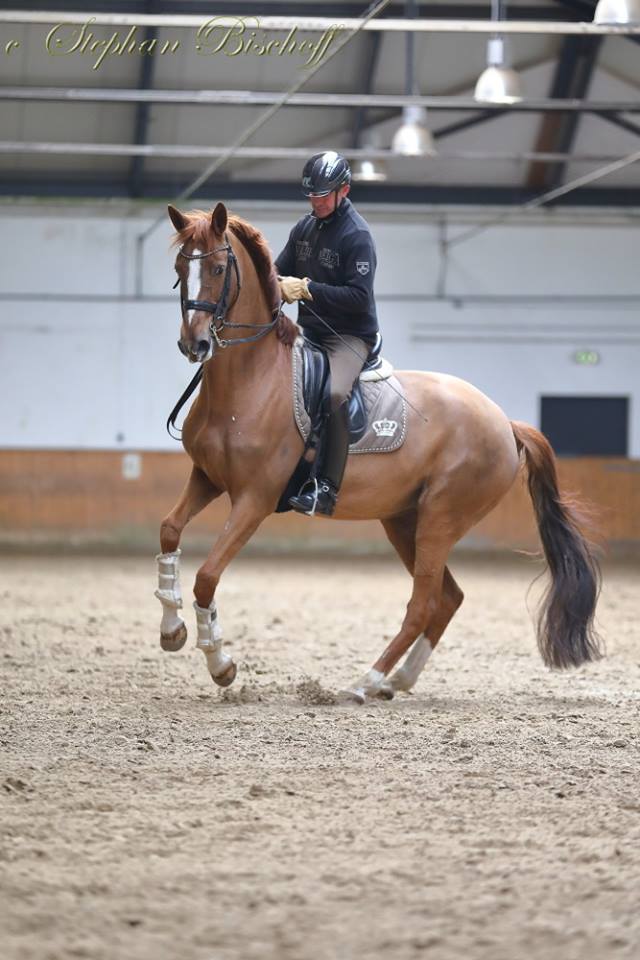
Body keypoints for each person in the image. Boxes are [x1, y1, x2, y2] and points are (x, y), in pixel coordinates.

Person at [275, 151, 380, 516]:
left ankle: (326, 489)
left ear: (344, 191)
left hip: (348, 336)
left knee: (334, 392)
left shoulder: (357, 236)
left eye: (322, 196)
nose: (316, 202)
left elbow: (359, 298)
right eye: (312, 196)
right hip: (311, 331)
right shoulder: (303, 229)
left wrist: (307, 289)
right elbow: (277, 271)